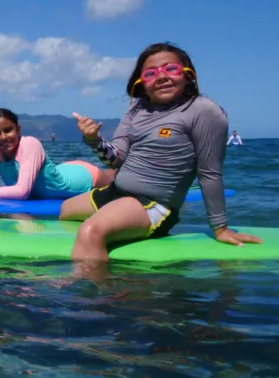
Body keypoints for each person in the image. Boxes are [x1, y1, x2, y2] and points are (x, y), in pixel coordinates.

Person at [58, 42, 263, 262]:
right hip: (116, 192)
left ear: (188, 74)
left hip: (153, 204)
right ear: (141, 82)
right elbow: (116, 159)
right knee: (65, 210)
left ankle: (93, 293)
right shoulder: (135, 110)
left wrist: (220, 228)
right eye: (151, 73)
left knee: (91, 231)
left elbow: (209, 174)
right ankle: (111, 238)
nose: (162, 76)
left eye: (171, 69)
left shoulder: (204, 111)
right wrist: (94, 140)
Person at [0, 109, 115, 200]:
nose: (4, 137)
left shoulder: (30, 144)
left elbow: (22, 192)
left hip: (84, 179)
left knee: (120, 181)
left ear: (18, 129)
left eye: (8, 130)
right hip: (63, 169)